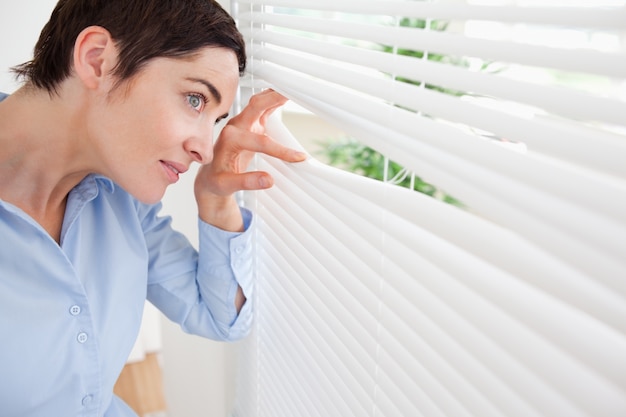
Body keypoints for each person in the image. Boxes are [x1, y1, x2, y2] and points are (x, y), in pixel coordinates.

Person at [0, 0, 305, 416]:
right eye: (196, 100)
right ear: (97, 60)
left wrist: (215, 202)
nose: (204, 149)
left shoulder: (118, 197)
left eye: (215, 120)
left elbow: (221, 316)